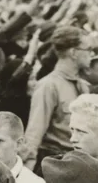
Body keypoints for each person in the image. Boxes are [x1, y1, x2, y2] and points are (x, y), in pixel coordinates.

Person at [23, 26, 91, 167]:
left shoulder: (82, 86)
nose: (92, 54)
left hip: (79, 162)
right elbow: (34, 134)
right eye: (88, 49)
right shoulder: (48, 86)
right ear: (73, 52)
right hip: (56, 163)